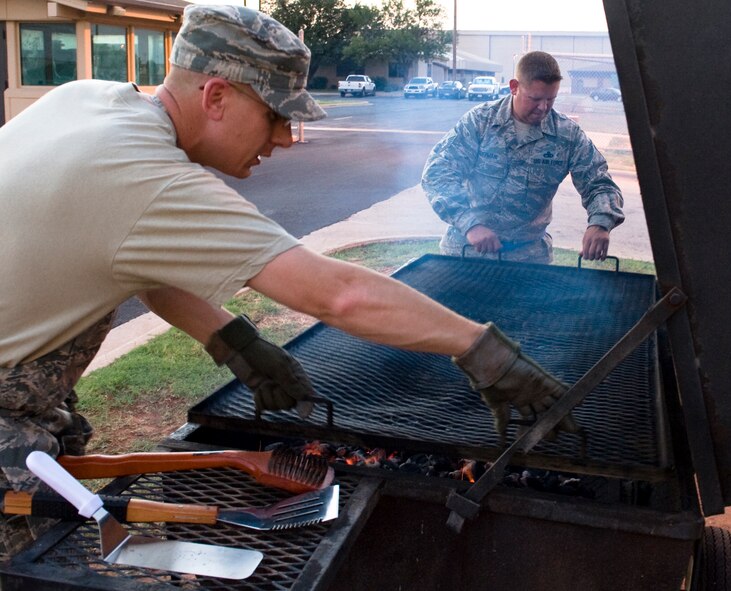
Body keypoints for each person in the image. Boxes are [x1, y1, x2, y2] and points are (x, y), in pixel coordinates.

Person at [0, 6, 578, 557]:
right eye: (277, 115)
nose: (286, 138)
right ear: (216, 95)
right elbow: (337, 293)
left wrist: (236, 343)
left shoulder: (86, 101)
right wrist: (486, 353)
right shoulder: (147, 177)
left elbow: (135, 260)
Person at [422, 51, 625, 264]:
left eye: (551, 99)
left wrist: (600, 223)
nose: (543, 107)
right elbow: (437, 173)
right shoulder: (479, 122)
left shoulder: (567, 135)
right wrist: (469, 223)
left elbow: (600, 184)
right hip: (467, 253)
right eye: (535, 99)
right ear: (514, 87)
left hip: (529, 257)